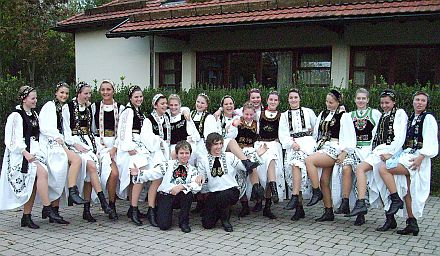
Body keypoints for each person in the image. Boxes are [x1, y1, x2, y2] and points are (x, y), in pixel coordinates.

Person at [0, 86, 63, 228]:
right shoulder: (16, 115)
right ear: (24, 99)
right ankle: (47, 207)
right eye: (33, 98)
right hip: (21, 154)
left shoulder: (34, 114)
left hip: (34, 151)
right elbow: (12, 139)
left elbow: (40, 133)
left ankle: (26, 216)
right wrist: (24, 152)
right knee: (42, 172)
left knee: (33, 183)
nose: (35, 100)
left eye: (36, 98)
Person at [346, 89, 408, 232]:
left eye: (387, 102)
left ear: (393, 102)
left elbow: (400, 136)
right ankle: (362, 202)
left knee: (385, 182)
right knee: (362, 169)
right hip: (379, 151)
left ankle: (394, 203)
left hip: (391, 151)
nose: (384, 105)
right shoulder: (383, 116)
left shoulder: (399, 114)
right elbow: (375, 135)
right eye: (382, 103)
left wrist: (390, 153)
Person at [378, 91, 437, 236]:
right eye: (417, 99)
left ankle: (395, 198)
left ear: (426, 103)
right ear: (413, 101)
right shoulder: (412, 117)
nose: (419, 103)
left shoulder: (428, 118)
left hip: (417, 158)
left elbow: (431, 140)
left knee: (384, 168)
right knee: (409, 192)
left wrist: (421, 157)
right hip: (408, 154)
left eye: (423, 100)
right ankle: (412, 223)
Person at [62, 82, 111, 222]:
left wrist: (96, 143)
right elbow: (66, 131)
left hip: (88, 141)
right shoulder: (68, 107)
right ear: (78, 93)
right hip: (74, 142)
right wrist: (75, 144)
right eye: (85, 93)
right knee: (90, 165)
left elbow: (92, 128)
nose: (88, 96)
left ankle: (87, 209)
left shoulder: (89, 108)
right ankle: (103, 202)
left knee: (91, 169)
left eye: (90, 93)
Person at [39, 82, 87, 224]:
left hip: (61, 141)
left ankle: (60, 204)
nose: (64, 95)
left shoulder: (64, 108)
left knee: (70, 165)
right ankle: (67, 197)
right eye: (62, 93)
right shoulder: (49, 106)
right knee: (61, 170)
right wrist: (57, 138)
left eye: (66, 93)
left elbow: (66, 129)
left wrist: (72, 142)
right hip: (50, 141)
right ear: (56, 93)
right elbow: (44, 127)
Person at [305, 89, 356, 221]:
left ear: (338, 102)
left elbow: (350, 136)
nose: (328, 104)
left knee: (309, 161)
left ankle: (316, 192)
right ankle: (328, 211)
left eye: (331, 102)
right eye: (327, 101)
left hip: (335, 147)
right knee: (324, 180)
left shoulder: (344, 116)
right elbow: (317, 133)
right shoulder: (323, 114)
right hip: (323, 147)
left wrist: (345, 152)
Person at [332, 88, 381, 226]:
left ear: (368, 100)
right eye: (358, 98)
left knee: (362, 178)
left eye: (363, 98)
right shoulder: (350, 115)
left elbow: (378, 133)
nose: (361, 101)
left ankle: (361, 213)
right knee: (346, 168)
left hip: (367, 149)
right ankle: (345, 201)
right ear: (355, 100)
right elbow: (345, 135)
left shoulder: (374, 113)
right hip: (353, 149)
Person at [131, 141, 203, 233]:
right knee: (164, 226)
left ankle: (184, 222)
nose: (184, 156)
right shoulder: (167, 164)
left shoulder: (193, 170)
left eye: (187, 153)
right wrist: (139, 173)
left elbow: (196, 185)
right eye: (181, 153)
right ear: (176, 154)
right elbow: (153, 173)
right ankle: (162, 212)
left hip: (181, 197)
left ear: (190, 154)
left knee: (188, 194)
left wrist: (182, 186)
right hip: (166, 196)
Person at [116, 85, 153, 226]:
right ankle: (133, 208)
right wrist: (129, 147)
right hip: (128, 149)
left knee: (137, 177)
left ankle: (133, 208)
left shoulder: (138, 111)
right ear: (130, 98)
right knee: (140, 172)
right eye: (136, 97)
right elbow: (123, 131)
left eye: (140, 96)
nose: (139, 99)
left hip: (138, 146)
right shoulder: (128, 111)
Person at [198, 132, 249, 232]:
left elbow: (244, 166)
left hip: (231, 191)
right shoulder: (203, 160)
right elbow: (201, 177)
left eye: (220, 144)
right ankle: (219, 213)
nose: (219, 146)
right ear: (209, 145)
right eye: (216, 144)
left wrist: (255, 156)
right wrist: (200, 179)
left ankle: (225, 220)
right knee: (207, 224)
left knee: (224, 196)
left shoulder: (229, 156)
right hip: (214, 193)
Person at [279, 88, 317, 221]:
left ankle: (295, 198)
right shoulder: (284, 115)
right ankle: (299, 207)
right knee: (294, 169)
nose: (293, 100)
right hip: (293, 144)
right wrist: (291, 143)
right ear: (288, 100)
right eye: (291, 98)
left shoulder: (308, 112)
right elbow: (283, 134)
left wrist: (313, 138)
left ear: (300, 98)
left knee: (298, 163)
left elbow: (317, 127)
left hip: (307, 143)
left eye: (296, 97)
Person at [91, 80, 124, 220]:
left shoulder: (120, 108)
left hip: (117, 145)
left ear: (113, 90)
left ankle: (112, 203)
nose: (105, 92)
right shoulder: (95, 107)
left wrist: (115, 147)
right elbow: (92, 128)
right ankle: (109, 205)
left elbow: (122, 131)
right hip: (101, 145)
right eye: (103, 89)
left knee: (117, 174)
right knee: (113, 173)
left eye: (108, 89)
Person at [229, 102, 267, 218]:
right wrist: (234, 125)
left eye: (251, 114)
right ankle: (244, 203)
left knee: (252, 164)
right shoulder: (238, 120)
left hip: (250, 149)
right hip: (239, 151)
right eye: (246, 114)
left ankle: (256, 188)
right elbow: (230, 136)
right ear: (243, 113)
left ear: (254, 113)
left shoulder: (257, 124)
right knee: (240, 173)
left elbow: (259, 138)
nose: (249, 117)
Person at [142, 93, 171, 226]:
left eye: (166, 103)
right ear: (155, 105)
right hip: (155, 153)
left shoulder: (167, 117)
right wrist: (157, 141)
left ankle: (159, 206)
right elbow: (146, 137)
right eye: (162, 103)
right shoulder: (149, 120)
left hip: (166, 152)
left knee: (164, 179)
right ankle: (151, 209)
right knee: (157, 179)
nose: (165, 105)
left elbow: (182, 110)